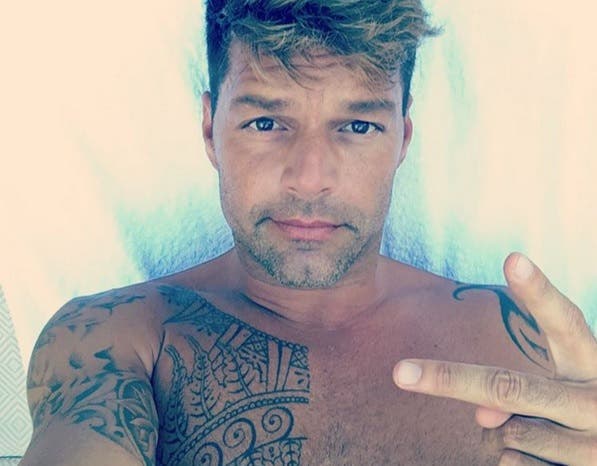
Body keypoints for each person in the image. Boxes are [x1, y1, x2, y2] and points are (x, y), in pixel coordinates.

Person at [21, 0, 597, 465]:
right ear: (209, 129)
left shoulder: (528, 346)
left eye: (358, 125)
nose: (310, 177)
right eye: (266, 122)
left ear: (402, 138)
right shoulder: (118, 339)